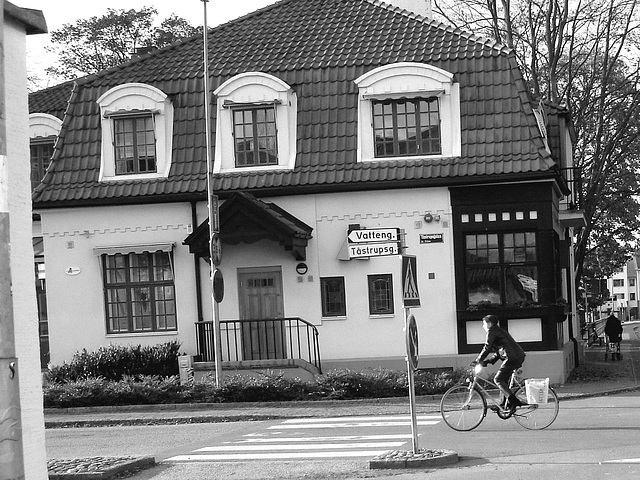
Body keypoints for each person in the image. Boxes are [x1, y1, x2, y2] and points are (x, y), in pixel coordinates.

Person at [472, 314, 526, 412]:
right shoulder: (498, 331)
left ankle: (513, 401)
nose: (483, 326)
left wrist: (478, 361)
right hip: (516, 356)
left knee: (498, 379)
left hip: (512, 358)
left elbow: (487, 347)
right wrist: (487, 361)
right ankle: (505, 404)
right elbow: (500, 351)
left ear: (489, 324)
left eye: (483, 324)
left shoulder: (492, 331)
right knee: (503, 381)